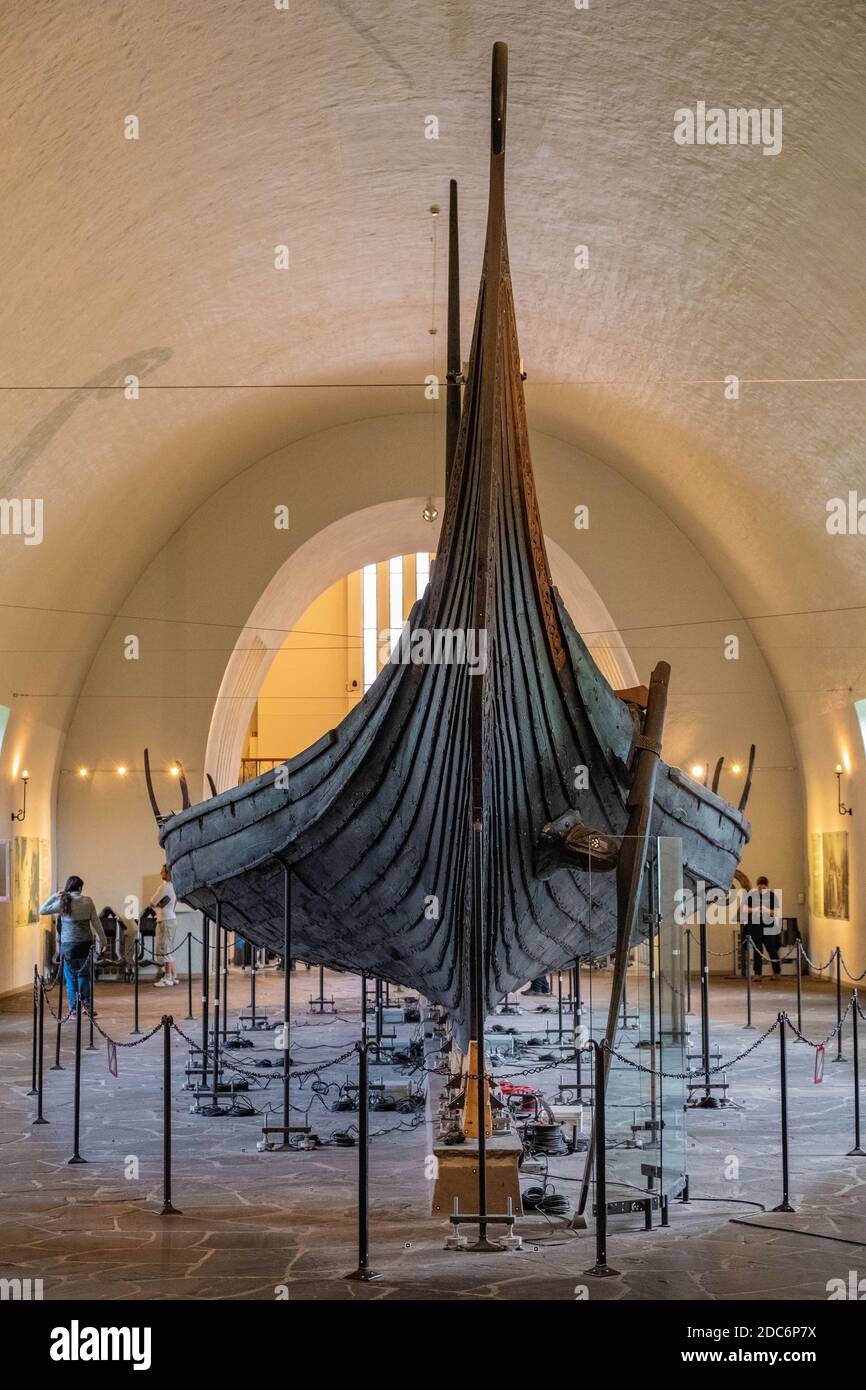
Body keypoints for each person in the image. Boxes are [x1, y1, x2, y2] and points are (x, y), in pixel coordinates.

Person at [39, 876, 107, 1013]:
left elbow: (42, 910)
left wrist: (54, 896)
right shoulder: (87, 901)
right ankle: (86, 1006)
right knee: (84, 976)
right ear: (80, 888)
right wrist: (103, 940)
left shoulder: (64, 901)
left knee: (70, 979)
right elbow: (96, 922)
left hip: (68, 946)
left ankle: (74, 1009)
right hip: (85, 945)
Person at [740, 875, 782, 978]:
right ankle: (757, 974)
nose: (762, 890)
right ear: (757, 887)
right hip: (755, 927)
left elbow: (776, 912)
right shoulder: (752, 895)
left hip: (768, 927)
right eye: (760, 888)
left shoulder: (772, 896)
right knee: (757, 951)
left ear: (767, 887)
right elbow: (745, 909)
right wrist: (755, 909)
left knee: (772, 950)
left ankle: (776, 972)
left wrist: (766, 910)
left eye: (764, 888)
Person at [150, 865, 179, 987]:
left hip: (165, 920)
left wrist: (158, 905)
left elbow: (152, 901)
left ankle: (167, 978)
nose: (160, 872)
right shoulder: (175, 886)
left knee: (166, 949)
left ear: (168, 873)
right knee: (169, 949)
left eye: (162, 871)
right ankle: (172, 976)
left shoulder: (164, 887)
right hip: (171, 919)